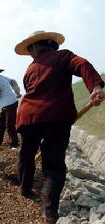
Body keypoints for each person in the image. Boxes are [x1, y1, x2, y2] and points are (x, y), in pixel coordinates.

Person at [14, 31, 105, 224]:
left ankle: (24, 189)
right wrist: (95, 88)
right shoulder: (63, 56)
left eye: (31, 50)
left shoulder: (30, 68)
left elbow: (29, 91)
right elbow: (83, 65)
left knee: (26, 155)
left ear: (35, 48)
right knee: (53, 166)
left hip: (28, 117)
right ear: (51, 45)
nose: (30, 54)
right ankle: (49, 212)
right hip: (56, 117)